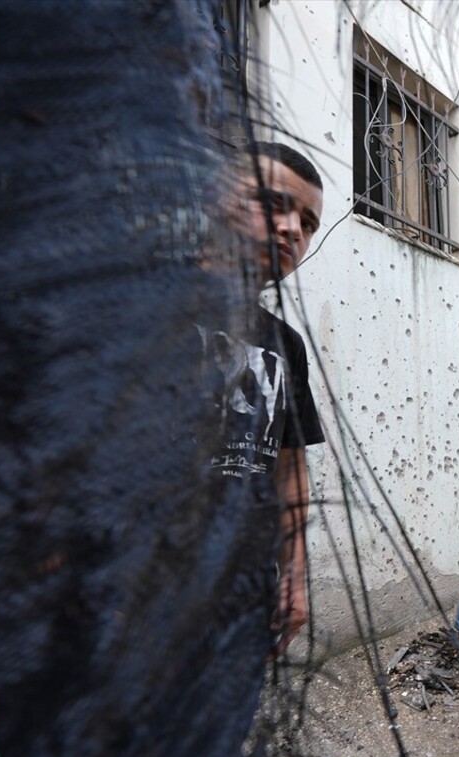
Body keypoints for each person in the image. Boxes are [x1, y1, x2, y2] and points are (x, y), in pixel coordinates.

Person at [208, 141, 327, 653]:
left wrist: (295, 574)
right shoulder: (135, 307)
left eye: (307, 221)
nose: (292, 229)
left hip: (240, 607)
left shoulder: (286, 345)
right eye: (275, 204)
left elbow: (289, 464)